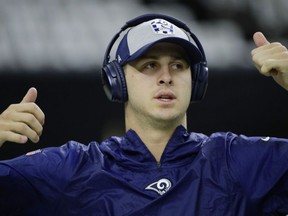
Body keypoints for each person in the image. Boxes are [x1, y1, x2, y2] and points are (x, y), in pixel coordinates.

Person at [0, 13, 288, 216]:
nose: (166, 76)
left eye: (178, 65)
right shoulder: (73, 169)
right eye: (150, 65)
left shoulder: (236, 160)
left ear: (197, 81)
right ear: (117, 82)